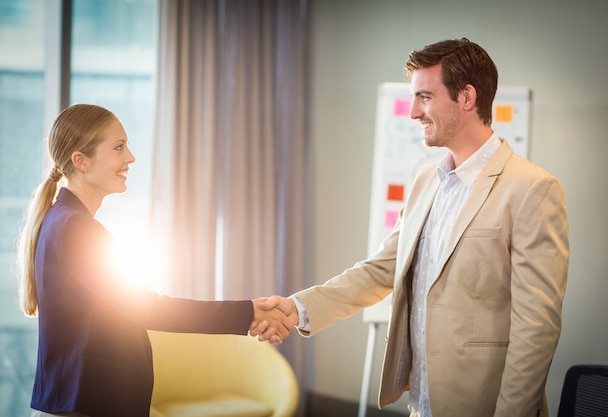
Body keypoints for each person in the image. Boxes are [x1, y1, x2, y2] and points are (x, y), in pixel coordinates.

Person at [252, 38, 569, 417]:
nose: (413, 112)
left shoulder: (532, 188)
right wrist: (295, 308)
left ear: (467, 97)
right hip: (421, 402)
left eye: (425, 97)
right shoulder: (425, 181)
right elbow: (381, 269)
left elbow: (536, 329)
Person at [16, 103, 292, 417]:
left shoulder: (62, 221)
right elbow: (146, 308)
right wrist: (248, 312)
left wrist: (249, 313)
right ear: (80, 160)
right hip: (84, 406)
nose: (130, 157)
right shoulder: (76, 228)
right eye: (118, 147)